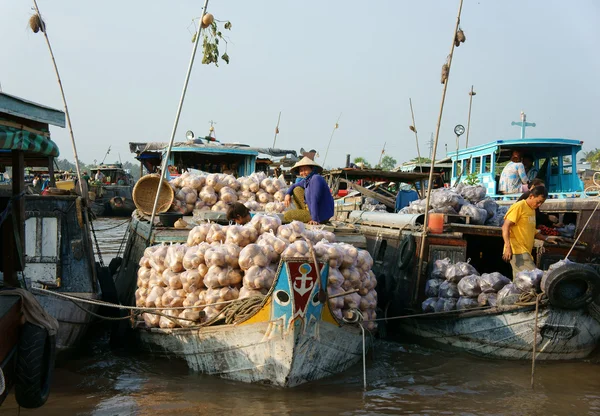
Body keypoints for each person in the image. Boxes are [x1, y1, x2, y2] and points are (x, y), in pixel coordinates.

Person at [502, 186, 561, 278]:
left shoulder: (532, 210)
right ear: (531, 196)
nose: (539, 205)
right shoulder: (519, 206)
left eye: (542, 203)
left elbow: (532, 231)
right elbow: (505, 227)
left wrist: (546, 238)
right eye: (538, 202)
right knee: (534, 278)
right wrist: (508, 247)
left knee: (521, 282)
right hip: (517, 250)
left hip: (525, 251)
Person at [283, 157, 334, 224]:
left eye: (305, 170)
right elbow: (294, 185)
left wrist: (314, 219)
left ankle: (309, 217)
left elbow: (314, 199)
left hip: (320, 216)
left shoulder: (316, 179)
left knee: (287, 215)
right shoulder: (307, 180)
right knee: (297, 189)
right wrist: (288, 194)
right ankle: (304, 214)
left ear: (312, 169)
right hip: (312, 211)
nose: (303, 172)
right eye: (301, 170)